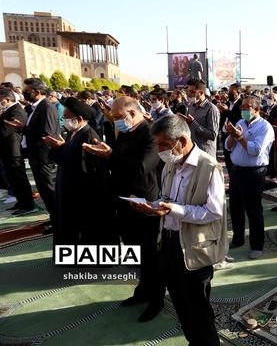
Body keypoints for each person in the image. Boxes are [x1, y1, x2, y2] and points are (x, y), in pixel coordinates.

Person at [131, 115, 227, 346]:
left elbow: (214, 212)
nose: (159, 150)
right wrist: (150, 207)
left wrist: (174, 209)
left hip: (195, 250)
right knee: (181, 305)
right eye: (157, 144)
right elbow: (167, 199)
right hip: (169, 244)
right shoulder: (171, 165)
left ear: (182, 141)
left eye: (164, 144)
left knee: (198, 311)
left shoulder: (209, 167)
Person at [82, 96, 165, 322]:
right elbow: (118, 164)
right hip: (123, 201)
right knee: (134, 251)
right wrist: (106, 154)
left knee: (150, 254)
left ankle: (156, 299)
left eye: (119, 117)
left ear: (134, 113)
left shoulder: (150, 133)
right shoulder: (126, 132)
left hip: (144, 203)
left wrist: (111, 155)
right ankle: (143, 290)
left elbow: (141, 168)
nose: (116, 121)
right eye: (115, 117)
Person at [42, 98, 116, 245]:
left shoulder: (89, 136)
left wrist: (59, 148)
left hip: (84, 192)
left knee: (89, 229)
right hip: (70, 188)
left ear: (80, 119)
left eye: (67, 117)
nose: (65, 120)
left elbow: (80, 164)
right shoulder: (74, 133)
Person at [4, 78, 60, 229]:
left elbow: (46, 133)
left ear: (36, 92)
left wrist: (23, 128)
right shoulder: (36, 107)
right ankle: (54, 217)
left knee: (48, 190)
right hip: (36, 155)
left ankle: (59, 220)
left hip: (43, 156)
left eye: (26, 91)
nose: (23, 94)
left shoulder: (46, 107)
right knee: (44, 190)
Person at [225, 95, 274, 259]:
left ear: (257, 109)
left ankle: (257, 244)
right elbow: (228, 146)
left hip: (254, 172)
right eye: (242, 107)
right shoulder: (239, 123)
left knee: (253, 210)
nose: (243, 110)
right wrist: (232, 134)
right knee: (235, 208)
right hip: (237, 170)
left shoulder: (265, 127)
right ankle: (238, 239)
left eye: (247, 107)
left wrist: (240, 136)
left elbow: (255, 150)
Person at [0, 88, 35, 212]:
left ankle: (27, 204)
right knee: (12, 178)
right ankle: (21, 201)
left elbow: (6, 131)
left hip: (14, 150)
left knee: (19, 178)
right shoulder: (7, 110)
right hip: (6, 150)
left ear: (7, 99)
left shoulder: (17, 111)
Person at [178, 79, 219, 157]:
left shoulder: (211, 109)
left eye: (192, 92)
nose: (188, 94)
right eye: (188, 91)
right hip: (191, 153)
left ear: (201, 92)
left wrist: (193, 123)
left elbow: (213, 135)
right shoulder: (190, 107)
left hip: (205, 155)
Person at [217, 83, 243, 174]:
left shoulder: (242, 104)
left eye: (232, 92)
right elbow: (223, 118)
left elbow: (240, 120)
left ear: (238, 92)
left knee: (234, 163)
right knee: (228, 162)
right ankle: (232, 186)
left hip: (235, 137)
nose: (229, 94)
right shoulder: (227, 103)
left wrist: (227, 111)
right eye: (229, 92)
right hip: (225, 136)